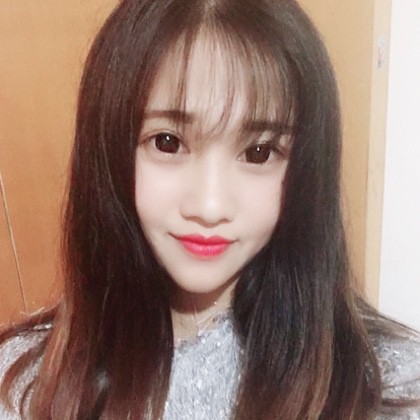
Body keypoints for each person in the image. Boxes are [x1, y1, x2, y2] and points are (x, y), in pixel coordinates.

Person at [1, 0, 419, 418]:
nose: (209, 206)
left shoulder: (390, 389)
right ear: (109, 151)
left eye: (258, 152)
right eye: (167, 142)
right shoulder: (24, 387)